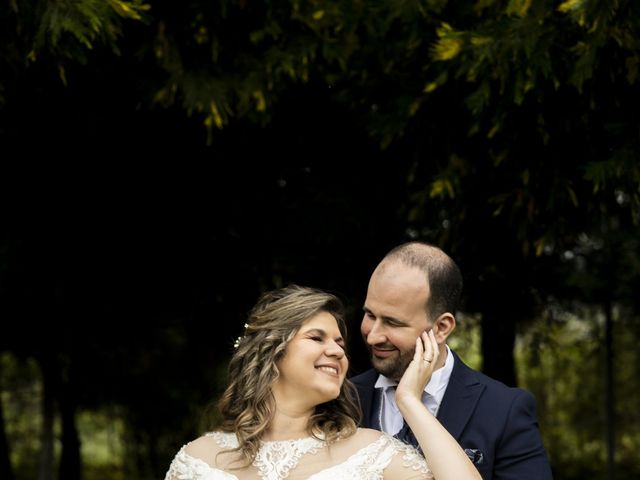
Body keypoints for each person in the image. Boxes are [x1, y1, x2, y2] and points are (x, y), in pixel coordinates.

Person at [164, 284, 482, 480]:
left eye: (340, 344)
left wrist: (409, 401)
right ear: (270, 351)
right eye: (317, 338)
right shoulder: (198, 459)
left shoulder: (371, 452)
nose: (336, 351)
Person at [351, 242, 553, 480]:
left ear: (441, 328)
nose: (373, 335)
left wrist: (408, 401)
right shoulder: (342, 398)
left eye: (392, 322)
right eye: (370, 315)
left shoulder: (503, 410)